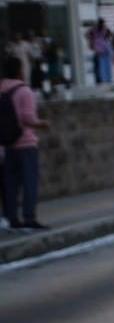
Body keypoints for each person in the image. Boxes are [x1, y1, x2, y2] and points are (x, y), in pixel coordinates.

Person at [0, 56, 51, 230]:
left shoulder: (1, 90)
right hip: (26, 142)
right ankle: (29, 217)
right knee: (29, 181)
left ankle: (12, 217)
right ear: (20, 70)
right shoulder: (24, 91)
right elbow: (27, 118)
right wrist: (42, 124)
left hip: (7, 144)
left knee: (10, 183)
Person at [86, 19, 112, 85]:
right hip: (101, 51)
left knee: (101, 66)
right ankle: (104, 79)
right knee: (103, 66)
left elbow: (87, 34)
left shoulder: (97, 30)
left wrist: (92, 42)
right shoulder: (98, 30)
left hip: (101, 51)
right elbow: (110, 35)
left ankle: (103, 79)